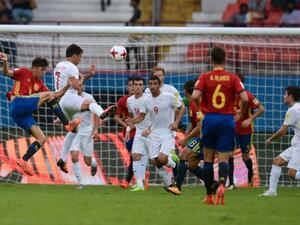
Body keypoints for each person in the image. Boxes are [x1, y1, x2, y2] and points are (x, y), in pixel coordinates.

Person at [0, 52, 79, 176]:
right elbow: (6, 73)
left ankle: (24, 160)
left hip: (21, 115)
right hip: (18, 103)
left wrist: (66, 87)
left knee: (42, 138)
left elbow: (54, 95)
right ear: (35, 68)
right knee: (48, 95)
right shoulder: (23, 71)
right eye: (42, 70)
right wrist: (5, 62)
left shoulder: (40, 84)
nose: (43, 73)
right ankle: (67, 124)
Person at [192, 46, 248, 205]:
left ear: (211, 59)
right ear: (225, 59)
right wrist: (240, 114)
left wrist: (202, 109)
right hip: (227, 120)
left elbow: (195, 95)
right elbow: (244, 98)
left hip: (210, 119)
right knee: (224, 158)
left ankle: (209, 195)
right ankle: (223, 183)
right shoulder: (233, 78)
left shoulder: (205, 77)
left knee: (208, 159)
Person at [54, 44, 116, 173]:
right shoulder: (72, 67)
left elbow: (74, 80)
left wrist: (89, 75)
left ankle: (62, 158)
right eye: (80, 57)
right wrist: (81, 80)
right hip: (69, 98)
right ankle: (102, 113)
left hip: (60, 101)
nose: (80, 60)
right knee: (89, 103)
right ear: (75, 55)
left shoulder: (60, 65)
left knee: (73, 130)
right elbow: (76, 86)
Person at [127, 76, 185, 195]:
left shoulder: (168, 97)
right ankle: (170, 186)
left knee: (162, 159)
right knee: (156, 162)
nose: (152, 86)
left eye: (155, 84)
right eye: (151, 84)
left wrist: (176, 122)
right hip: (154, 133)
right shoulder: (146, 101)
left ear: (159, 85)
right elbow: (141, 117)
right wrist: (131, 121)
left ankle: (174, 163)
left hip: (168, 132)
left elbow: (182, 107)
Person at [54, 84, 100, 183]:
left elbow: (96, 114)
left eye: (81, 84)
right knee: (74, 155)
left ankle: (93, 164)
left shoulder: (88, 97)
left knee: (87, 161)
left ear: (83, 85)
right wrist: (58, 119)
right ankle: (81, 182)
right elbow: (66, 111)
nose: (79, 86)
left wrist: (96, 129)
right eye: (77, 84)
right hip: (75, 130)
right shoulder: (69, 98)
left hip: (86, 131)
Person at [227, 74, 265, 190]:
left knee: (245, 157)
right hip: (231, 129)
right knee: (229, 155)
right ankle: (231, 183)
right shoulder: (228, 96)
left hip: (246, 131)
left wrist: (250, 119)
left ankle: (250, 177)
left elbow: (262, 109)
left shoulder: (247, 96)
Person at [260, 86, 300, 196]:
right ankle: (272, 191)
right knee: (277, 161)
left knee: (292, 173)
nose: (283, 96)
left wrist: (270, 139)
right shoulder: (298, 107)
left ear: (290, 97)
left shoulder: (292, 110)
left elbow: (282, 131)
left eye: (285, 94)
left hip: (299, 146)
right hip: (296, 144)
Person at [175, 80, 205, 192]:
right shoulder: (192, 103)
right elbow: (195, 124)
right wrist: (186, 135)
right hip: (202, 137)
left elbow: (200, 125)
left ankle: (177, 187)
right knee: (192, 166)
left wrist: (186, 139)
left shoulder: (194, 104)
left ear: (185, 90)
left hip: (204, 137)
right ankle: (213, 183)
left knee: (183, 157)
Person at [126, 77, 151, 191]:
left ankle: (172, 165)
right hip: (140, 132)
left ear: (144, 87)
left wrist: (150, 129)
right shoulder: (129, 101)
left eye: (140, 84)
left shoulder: (148, 99)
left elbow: (154, 117)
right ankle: (139, 185)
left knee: (158, 160)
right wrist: (128, 129)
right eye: (135, 84)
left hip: (151, 131)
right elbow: (132, 118)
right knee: (136, 156)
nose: (137, 87)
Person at [114, 77, 136, 188]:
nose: (132, 87)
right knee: (134, 156)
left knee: (134, 155)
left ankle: (127, 181)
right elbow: (116, 117)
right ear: (127, 87)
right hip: (128, 133)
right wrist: (126, 125)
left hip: (141, 132)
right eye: (130, 85)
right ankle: (143, 176)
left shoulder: (144, 100)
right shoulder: (123, 101)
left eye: (134, 84)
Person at [125, 0, 142, 70]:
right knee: (134, 53)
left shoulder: (138, 11)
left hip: (136, 37)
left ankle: (134, 69)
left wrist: (128, 22)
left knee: (135, 53)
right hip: (133, 37)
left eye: (132, 1)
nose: (131, 2)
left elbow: (133, 19)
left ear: (136, 2)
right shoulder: (136, 10)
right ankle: (132, 69)